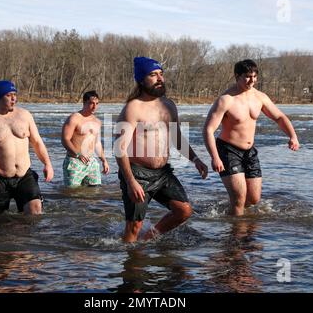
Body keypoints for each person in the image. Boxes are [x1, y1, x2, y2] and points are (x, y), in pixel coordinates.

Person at [115, 57, 208, 243]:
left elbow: (177, 138)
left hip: (163, 173)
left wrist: (196, 159)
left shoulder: (169, 105)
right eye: (153, 74)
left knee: (184, 211)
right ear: (141, 80)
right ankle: (130, 263)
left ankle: (149, 237)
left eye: (161, 74)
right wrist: (131, 181)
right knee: (133, 227)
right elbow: (119, 148)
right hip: (138, 173)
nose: (159, 78)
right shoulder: (133, 108)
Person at [203, 59, 300, 216]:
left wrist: (293, 136)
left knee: (254, 199)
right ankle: (236, 237)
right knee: (239, 199)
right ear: (237, 76)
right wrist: (215, 157)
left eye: (255, 76)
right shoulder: (226, 100)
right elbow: (208, 130)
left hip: (250, 151)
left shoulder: (260, 97)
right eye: (248, 76)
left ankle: (233, 216)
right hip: (228, 150)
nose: (252, 80)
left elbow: (279, 117)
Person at [0, 80, 54, 215]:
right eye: (9, 95)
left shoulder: (25, 115)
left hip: (24, 175)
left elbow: (37, 142)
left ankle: (27, 237)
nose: (14, 99)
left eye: (15, 94)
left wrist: (47, 163)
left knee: (35, 212)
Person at [61, 90, 109, 187]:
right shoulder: (74, 118)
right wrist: (78, 154)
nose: (94, 106)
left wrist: (104, 160)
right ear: (84, 103)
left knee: (94, 192)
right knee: (72, 193)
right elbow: (65, 139)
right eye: (91, 103)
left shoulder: (97, 121)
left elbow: (97, 143)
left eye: (97, 103)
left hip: (91, 162)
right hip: (75, 161)